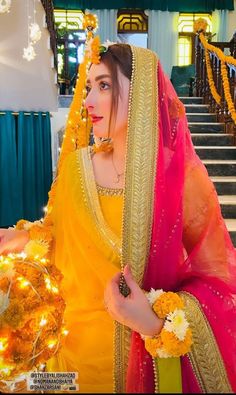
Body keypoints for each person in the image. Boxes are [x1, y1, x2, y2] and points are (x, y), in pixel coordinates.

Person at [0, 42, 236, 394]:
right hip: (69, 361)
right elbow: (60, 234)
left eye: (105, 85)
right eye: (90, 86)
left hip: (144, 367)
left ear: (140, 91)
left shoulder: (181, 179)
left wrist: (158, 321)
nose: (89, 100)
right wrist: (27, 238)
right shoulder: (76, 168)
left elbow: (218, 279)